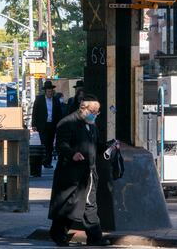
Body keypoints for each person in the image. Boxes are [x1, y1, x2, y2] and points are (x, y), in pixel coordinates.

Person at [48, 95, 118, 247]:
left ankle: (95, 237)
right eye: (94, 111)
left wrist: (110, 146)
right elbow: (61, 145)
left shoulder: (91, 124)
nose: (96, 114)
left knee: (90, 205)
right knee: (69, 204)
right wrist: (72, 154)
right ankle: (57, 233)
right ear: (84, 108)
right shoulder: (67, 123)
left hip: (90, 172)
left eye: (98, 111)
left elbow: (97, 145)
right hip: (71, 174)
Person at [32, 80, 62, 168]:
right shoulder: (39, 99)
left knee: (50, 144)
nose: (50, 93)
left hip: (52, 125)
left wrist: (60, 124)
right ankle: (44, 160)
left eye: (51, 91)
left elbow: (59, 113)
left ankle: (47, 162)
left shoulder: (56, 100)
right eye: (48, 91)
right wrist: (34, 124)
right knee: (44, 143)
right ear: (45, 91)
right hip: (42, 125)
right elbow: (35, 112)